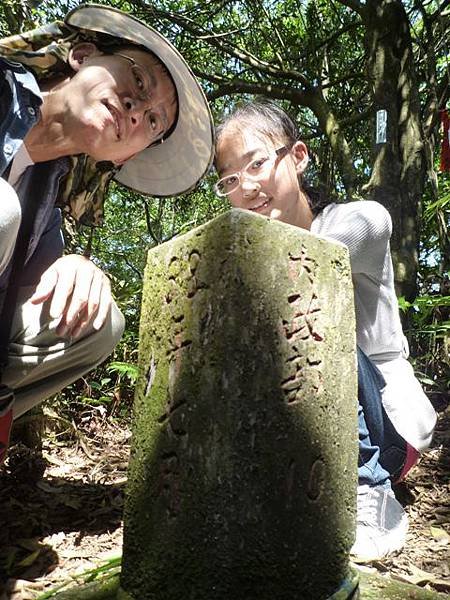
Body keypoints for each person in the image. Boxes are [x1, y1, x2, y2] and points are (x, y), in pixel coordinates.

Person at [213, 100, 437, 561]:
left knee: (301, 311)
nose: (248, 186)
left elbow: (369, 227)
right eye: (230, 180)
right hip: (306, 427)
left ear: (298, 156)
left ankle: (371, 491)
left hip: (386, 420)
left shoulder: (352, 221)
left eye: (256, 163)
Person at [0, 5, 214, 465]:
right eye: (138, 81)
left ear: (124, 158)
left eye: (154, 123)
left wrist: (74, 264)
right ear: (81, 54)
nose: (138, 111)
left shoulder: (48, 195)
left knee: (99, 324)